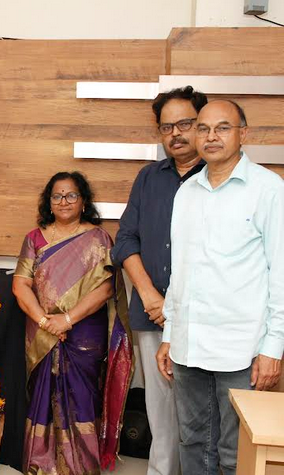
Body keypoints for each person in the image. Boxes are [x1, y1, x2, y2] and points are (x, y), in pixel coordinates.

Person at [156, 100, 283, 475]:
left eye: (223, 128)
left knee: (235, 451)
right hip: (188, 346)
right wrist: (170, 334)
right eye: (204, 128)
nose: (212, 137)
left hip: (242, 350)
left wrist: (273, 347)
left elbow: (280, 273)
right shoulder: (187, 192)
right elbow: (180, 273)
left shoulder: (268, 189)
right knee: (193, 444)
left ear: (244, 133)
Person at [112, 85, 208, 475]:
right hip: (152, 312)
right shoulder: (149, 177)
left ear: (202, 124)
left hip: (205, 314)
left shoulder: (219, 177)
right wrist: (149, 294)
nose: (176, 134)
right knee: (161, 407)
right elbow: (125, 240)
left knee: (204, 410)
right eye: (167, 127)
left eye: (185, 123)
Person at [12, 171, 133, 475]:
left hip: (84, 332)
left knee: (82, 396)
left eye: (71, 195)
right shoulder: (34, 238)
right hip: (42, 331)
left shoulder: (99, 238)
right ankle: (41, 463)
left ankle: (81, 466)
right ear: (49, 202)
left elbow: (105, 289)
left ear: (83, 202)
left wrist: (67, 319)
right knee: (43, 394)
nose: (63, 201)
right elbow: (20, 285)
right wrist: (46, 321)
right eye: (57, 196)